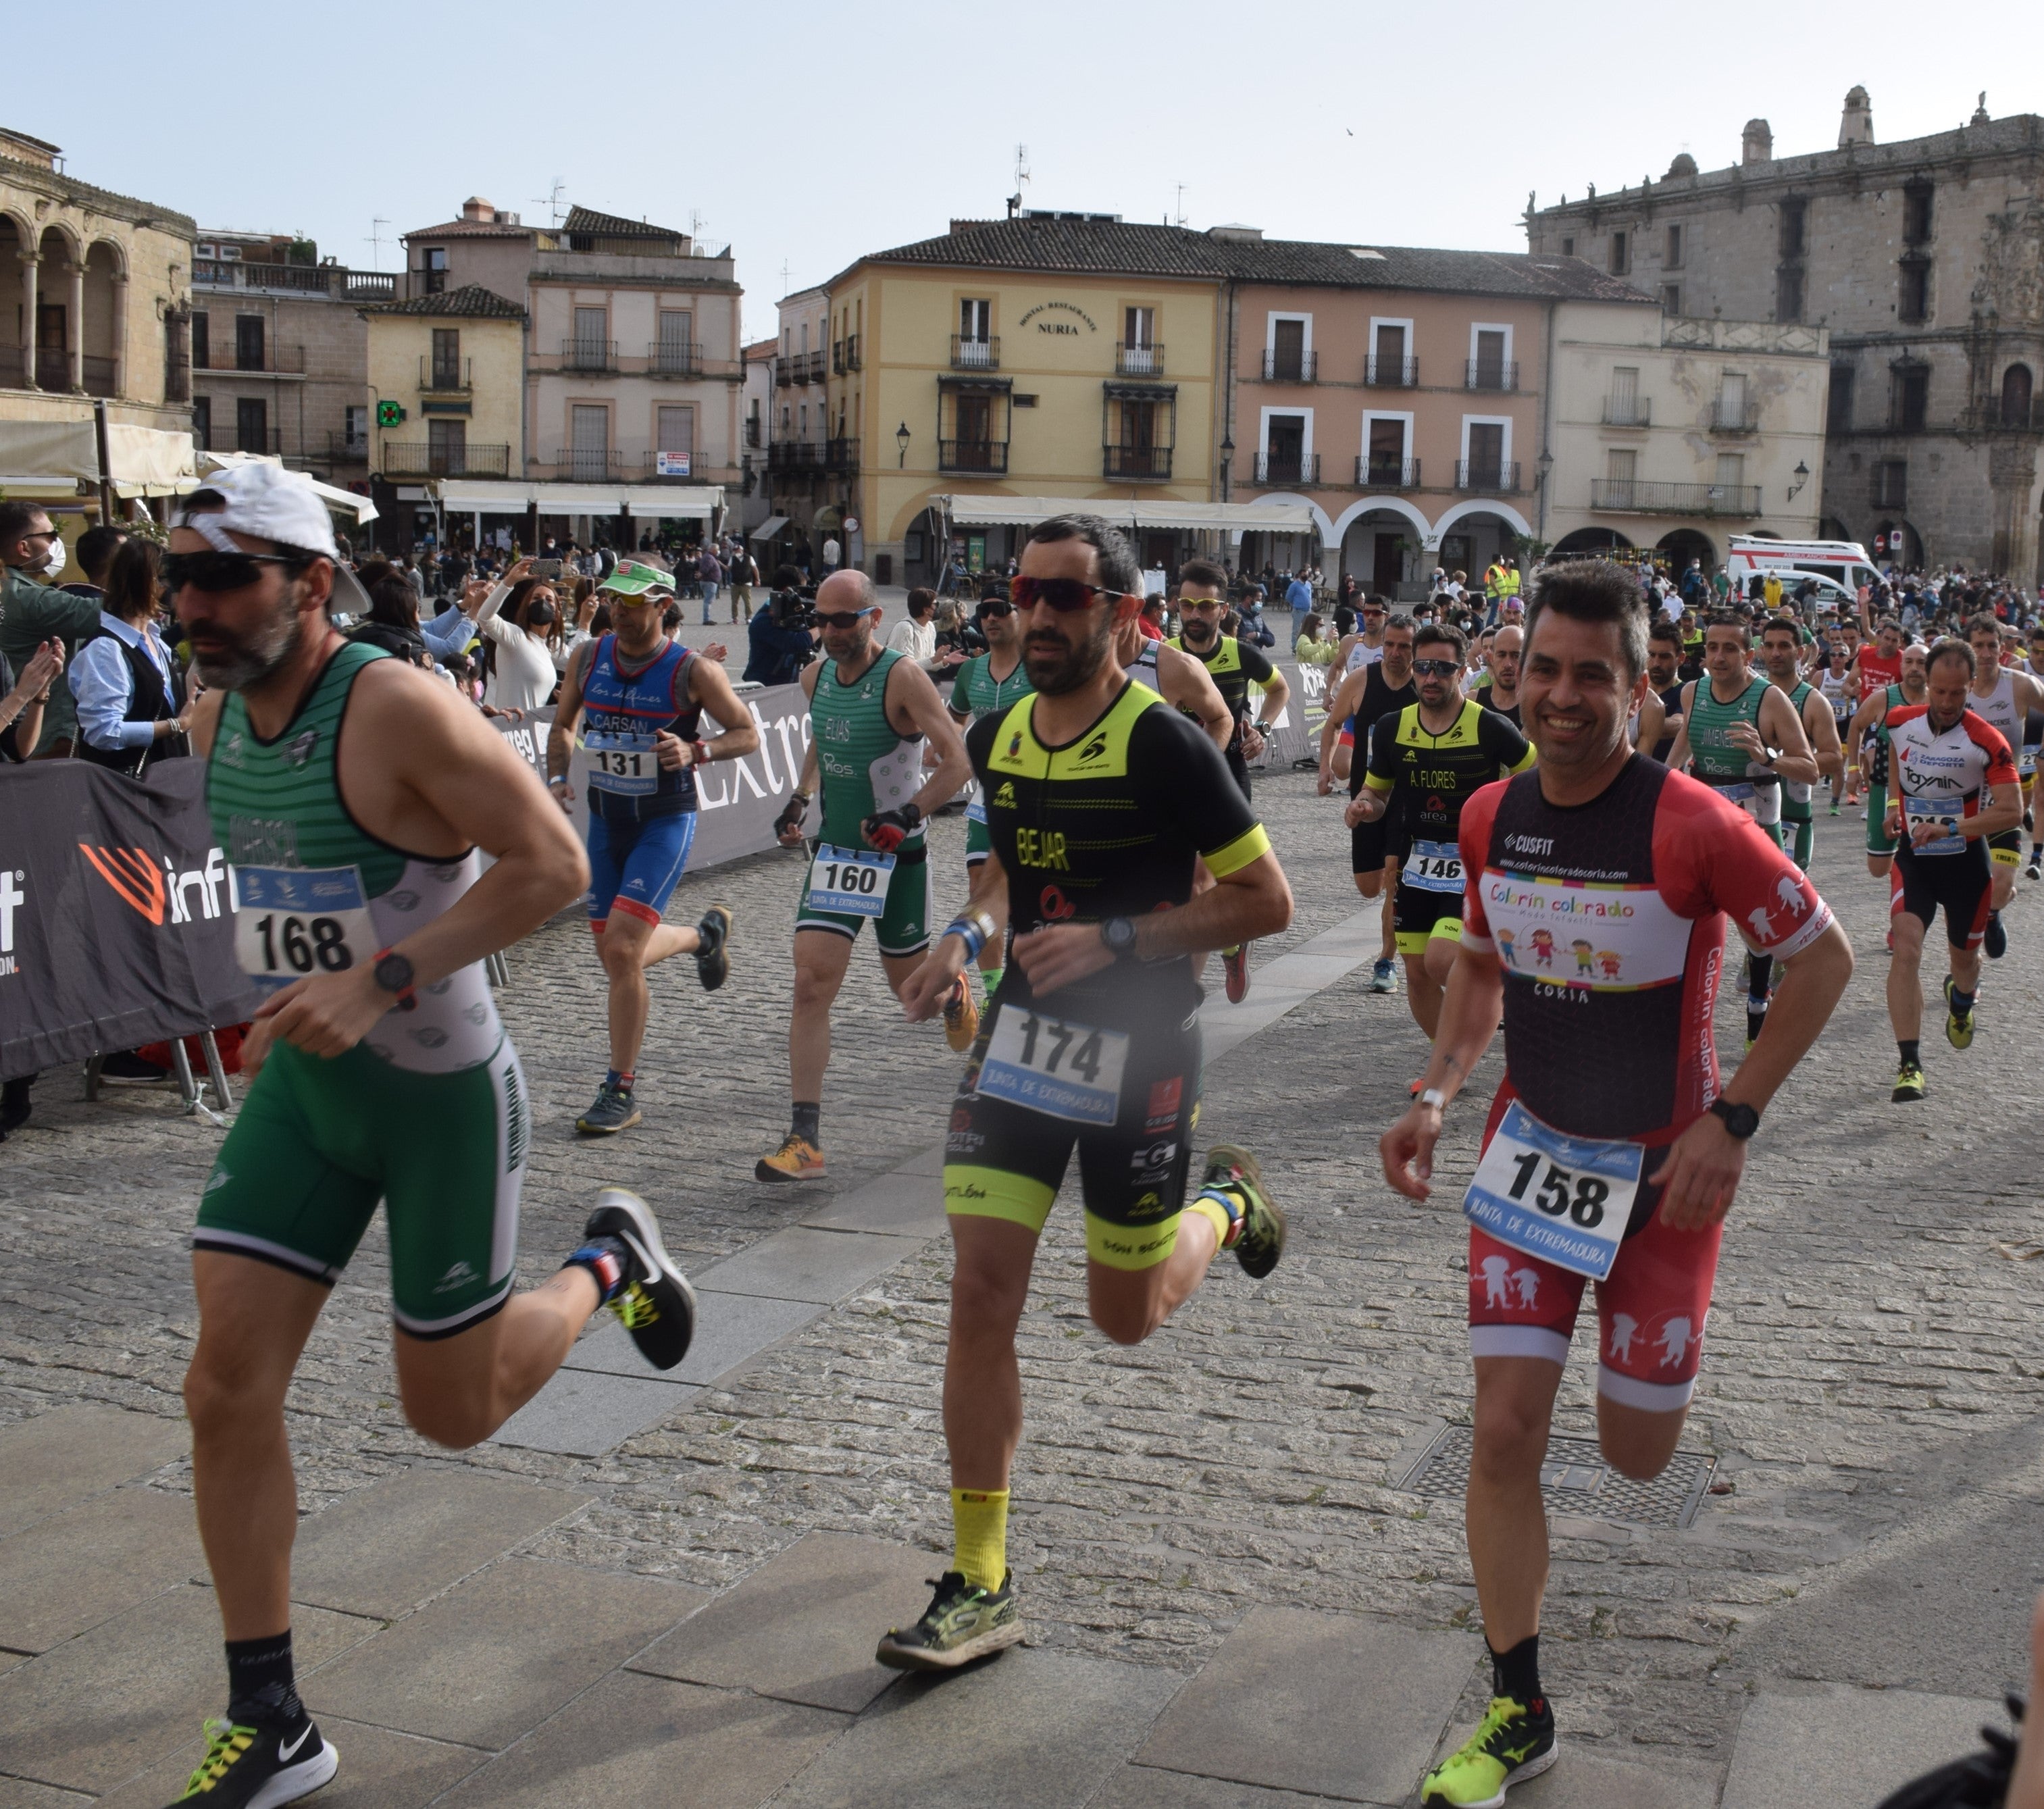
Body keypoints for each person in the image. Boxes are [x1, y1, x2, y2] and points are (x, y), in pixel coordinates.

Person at [164, 461, 700, 1809]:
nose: (193, 603)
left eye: (223, 576)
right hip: (309, 1092)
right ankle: (271, 1715)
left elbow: (554, 865)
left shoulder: (393, 704)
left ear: (310, 583)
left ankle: (609, 1262)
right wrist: (305, 988)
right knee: (224, 1386)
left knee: (452, 1413)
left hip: (442, 1095)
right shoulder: (213, 713)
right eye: (178, 576)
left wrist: (382, 976)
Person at [1378, 560, 1851, 1809]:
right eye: (1543, 668)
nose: (1561, 694)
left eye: (1592, 674)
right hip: (1531, 1154)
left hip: (1665, 1180)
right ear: (1515, 673)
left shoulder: (1696, 823)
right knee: (1501, 1428)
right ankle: (1517, 1705)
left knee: (1637, 1455)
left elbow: (1823, 961)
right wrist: (1436, 1092)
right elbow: (1481, 968)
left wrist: (1730, 1122)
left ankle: (1646, 1366)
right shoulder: (1489, 815)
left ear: (1641, 689)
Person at [874, 513, 1294, 1671]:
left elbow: (1267, 901)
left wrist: (1119, 937)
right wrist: (964, 934)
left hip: (1144, 1050)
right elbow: (1006, 876)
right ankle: (980, 1577)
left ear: (1120, 612)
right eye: (1025, 593)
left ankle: (1227, 1206)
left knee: (1124, 1316)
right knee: (979, 1293)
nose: (1038, 615)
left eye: (1064, 597)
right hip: (1021, 1042)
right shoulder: (999, 732)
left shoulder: (1167, 744)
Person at [759, 569, 974, 1181]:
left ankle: (954, 990)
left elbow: (957, 761)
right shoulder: (815, 676)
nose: (830, 631)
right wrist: (800, 798)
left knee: (913, 994)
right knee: (810, 984)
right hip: (838, 856)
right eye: (821, 619)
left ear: (873, 619)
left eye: (843, 620)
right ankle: (805, 1140)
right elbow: (822, 742)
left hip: (898, 857)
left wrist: (907, 815)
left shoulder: (902, 676)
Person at [547, 559, 755, 1134]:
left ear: (663, 605)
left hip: (663, 820)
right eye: (615, 599)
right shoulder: (588, 657)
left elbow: (748, 734)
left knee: (621, 950)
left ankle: (620, 1089)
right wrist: (556, 777)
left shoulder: (692, 671)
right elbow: (563, 725)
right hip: (606, 820)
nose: (619, 610)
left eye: (633, 602)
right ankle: (702, 937)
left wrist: (697, 751)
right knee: (617, 954)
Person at [1348, 622, 1533, 1042]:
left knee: (1440, 960)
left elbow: (1540, 776)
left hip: (1472, 864)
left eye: (1444, 669)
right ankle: (1449, 1060)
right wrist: (1364, 806)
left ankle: (1506, 989)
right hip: (1415, 864)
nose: (1431, 678)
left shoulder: (1490, 726)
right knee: (1417, 973)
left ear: (1463, 672)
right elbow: (1377, 792)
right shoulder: (1393, 726)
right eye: (1423, 667)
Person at [1662, 615, 1820, 1048]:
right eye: (1712, 648)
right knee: (1684, 913)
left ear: (1749, 655)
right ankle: (1680, 1013)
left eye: (1729, 649)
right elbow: (1679, 752)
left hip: (1757, 828)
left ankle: (1758, 1000)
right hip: (1706, 826)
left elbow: (1810, 768)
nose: (1719, 657)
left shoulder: (1769, 699)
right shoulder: (1693, 693)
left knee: (1756, 929)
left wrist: (1767, 756)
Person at [1883, 638, 2022, 1103]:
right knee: (1906, 948)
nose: (1946, 702)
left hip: (1965, 865)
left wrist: (1952, 828)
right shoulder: (1900, 721)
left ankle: (1961, 1002)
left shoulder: (1987, 740)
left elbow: (2011, 810)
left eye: (1957, 693)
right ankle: (1910, 1064)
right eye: (1939, 691)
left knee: (1964, 963)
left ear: (1970, 686)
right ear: (1926, 683)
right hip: (1915, 860)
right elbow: (1895, 760)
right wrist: (1894, 806)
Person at [1171, 558, 1289, 1004]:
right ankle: (1195, 981)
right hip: (1176, 784)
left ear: (1223, 610)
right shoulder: (1164, 655)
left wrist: (1263, 728)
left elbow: (1280, 689)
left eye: (1205, 606)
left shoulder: (1240, 654)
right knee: (1191, 884)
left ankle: (1225, 952)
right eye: (1187, 605)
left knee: (1214, 881)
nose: (1195, 615)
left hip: (1228, 777)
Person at [1321, 617, 1418, 993]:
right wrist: (1325, 769)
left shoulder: (1422, 687)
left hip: (1407, 799)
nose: (1395, 653)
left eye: (1404, 646)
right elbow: (1333, 724)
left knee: (1394, 879)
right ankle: (1390, 909)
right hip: (1365, 796)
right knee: (1369, 886)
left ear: (1415, 650)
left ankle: (1386, 961)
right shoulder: (1361, 680)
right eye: (1390, 644)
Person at [948, 592, 1035, 1007]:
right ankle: (992, 991)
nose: (991, 618)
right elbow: (954, 719)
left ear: (1021, 615)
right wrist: (945, 747)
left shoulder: (1039, 667)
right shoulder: (971, 671)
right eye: (984, 612)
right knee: (981, 886)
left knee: (1029, 892)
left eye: (1001, 610)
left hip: (1037, 792)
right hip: (989, 795)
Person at [71, 538, 198, 776]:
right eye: (168, 578)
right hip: (127, 788)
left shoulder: (155, 639)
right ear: (147, 583)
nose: (175, 588)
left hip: (167, 781)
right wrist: (177, 725)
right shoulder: (106, 649)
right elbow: (103, 732)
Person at [1961, 613, 2044, 957]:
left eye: (1992, 645)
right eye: (1978, 646)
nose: (1985, 653)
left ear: (2003, 647)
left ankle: (1993, 913)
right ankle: (1965, 960)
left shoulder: (2021, 685)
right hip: (1963, 802)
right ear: (1967, 648)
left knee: (2002, 885)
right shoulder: (1956, 687)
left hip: (2005, 802)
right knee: (1965, 892)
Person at [0, 501, 108, 756]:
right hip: (46, 739)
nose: (56, 543)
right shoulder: (31, 599)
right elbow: (115, 612)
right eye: (50, 536)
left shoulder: (15, 593)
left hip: (24, 737)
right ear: (24, 548)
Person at [1758, 616, 1845, 871]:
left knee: (1788, 891)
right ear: (1761, 650)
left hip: (1792, 819)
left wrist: (1779, 762)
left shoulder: (1813, 702)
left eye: (1784, 646)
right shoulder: (1750, 694)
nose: (1776, 653)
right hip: (1751, 816)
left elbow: (1834, 759)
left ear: (1800, 652)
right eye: (1770, 646)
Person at [466, 563, 560, 716]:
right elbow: (485, 618)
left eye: (549, 599)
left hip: (533, 728)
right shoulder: (515, 637)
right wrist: (509, 582)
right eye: (536, 598)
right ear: (526, 605)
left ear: (557, 613)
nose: (542, 603)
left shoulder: (545, 647)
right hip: (510, 726)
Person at [744, 567, 821, 687]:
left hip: (783, 685)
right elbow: (797, 642)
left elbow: (813, 643)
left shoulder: (790, 616)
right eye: (802, 591)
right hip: (763, 688)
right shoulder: (764, 619)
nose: (804, 597)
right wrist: (823, 625)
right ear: (788, 591)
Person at [888, 586, 940, 663]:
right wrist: (934, 660)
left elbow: (930, 659)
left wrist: (946, 661)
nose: (937, 608)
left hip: (920, 671)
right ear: (926, 610)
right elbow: (907, 665)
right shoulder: (905, 628)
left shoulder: (930, 626)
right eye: (936, 604)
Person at [727, 544, 757, 626]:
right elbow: (728, 568)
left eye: (738, 550)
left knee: (747, 601)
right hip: (735, 583)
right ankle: (734, 618)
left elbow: (755, 569)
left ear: (742, 550)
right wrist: (720, 564)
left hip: (746, 583)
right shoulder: (732, 558)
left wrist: (757, 579)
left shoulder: (749, 558)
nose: (737, 552)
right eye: (735, 550)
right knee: (734, 602)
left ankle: (748, 618)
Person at [696, 544, 723, 626]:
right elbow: (705, 569)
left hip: (708, 582)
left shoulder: (708, 557)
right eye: (717, 549)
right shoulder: (709, 558)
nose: (718, 551)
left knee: (708, 601)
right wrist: (701, 574)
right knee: (708, 601)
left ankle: (707, 618)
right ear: (713, 550)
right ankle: (706, 619)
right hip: (709, 582)